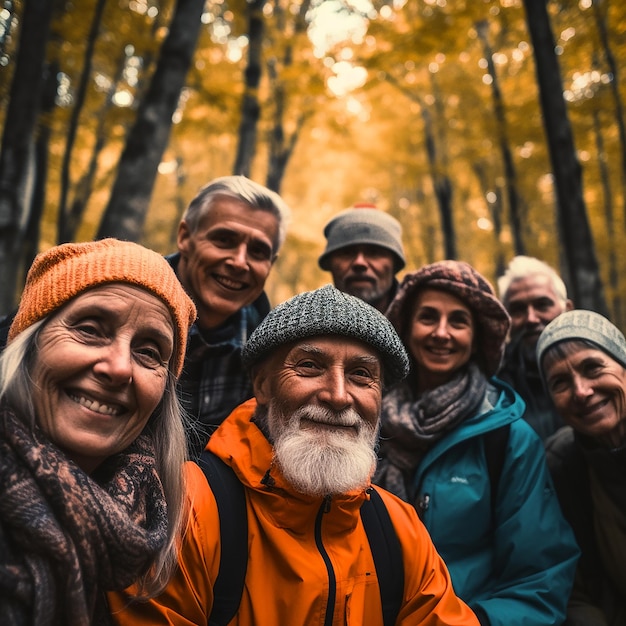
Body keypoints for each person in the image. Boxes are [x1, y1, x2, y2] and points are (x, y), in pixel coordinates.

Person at [109, 285, 481, 625]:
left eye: (361, 375)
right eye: (310, 366)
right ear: (263, 385)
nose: (337, 395)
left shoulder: (400, 529)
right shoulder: (184, 507)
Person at [0, 239, 197, 624]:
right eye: (90, 329)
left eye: (149, 351)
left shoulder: (154, 522)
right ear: (30, 343)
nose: (119, 367)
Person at [374, 260, 579, 626]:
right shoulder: (365, 419)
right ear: (404, 328)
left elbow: (540, 576)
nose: (441, 333)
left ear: (477, 337)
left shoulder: (508, 439)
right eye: (428, 317)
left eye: (458, 321)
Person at [168, 175, 291, 458]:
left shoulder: (269, 348)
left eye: (258, 251)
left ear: (270, 264)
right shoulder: (129, 307)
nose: (239, 262)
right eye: (224, 240)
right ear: (185, 237)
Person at [537, 310, 626, 626]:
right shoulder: (560, 465)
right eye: (560, 382)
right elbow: (573, 588)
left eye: (593, 368)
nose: (581, 391)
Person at [497, 255, 573, 441]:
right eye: (517, 309)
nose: (531, 318)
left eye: (542, 305)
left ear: (568, 309)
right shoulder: (494, 388)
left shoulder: (603, 369)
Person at [318, 203, 406, 313]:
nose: (359, 263)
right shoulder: (307, 324)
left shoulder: (422, 322)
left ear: (395, 264)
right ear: (330, 263)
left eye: (374, 252)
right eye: (347, 252)